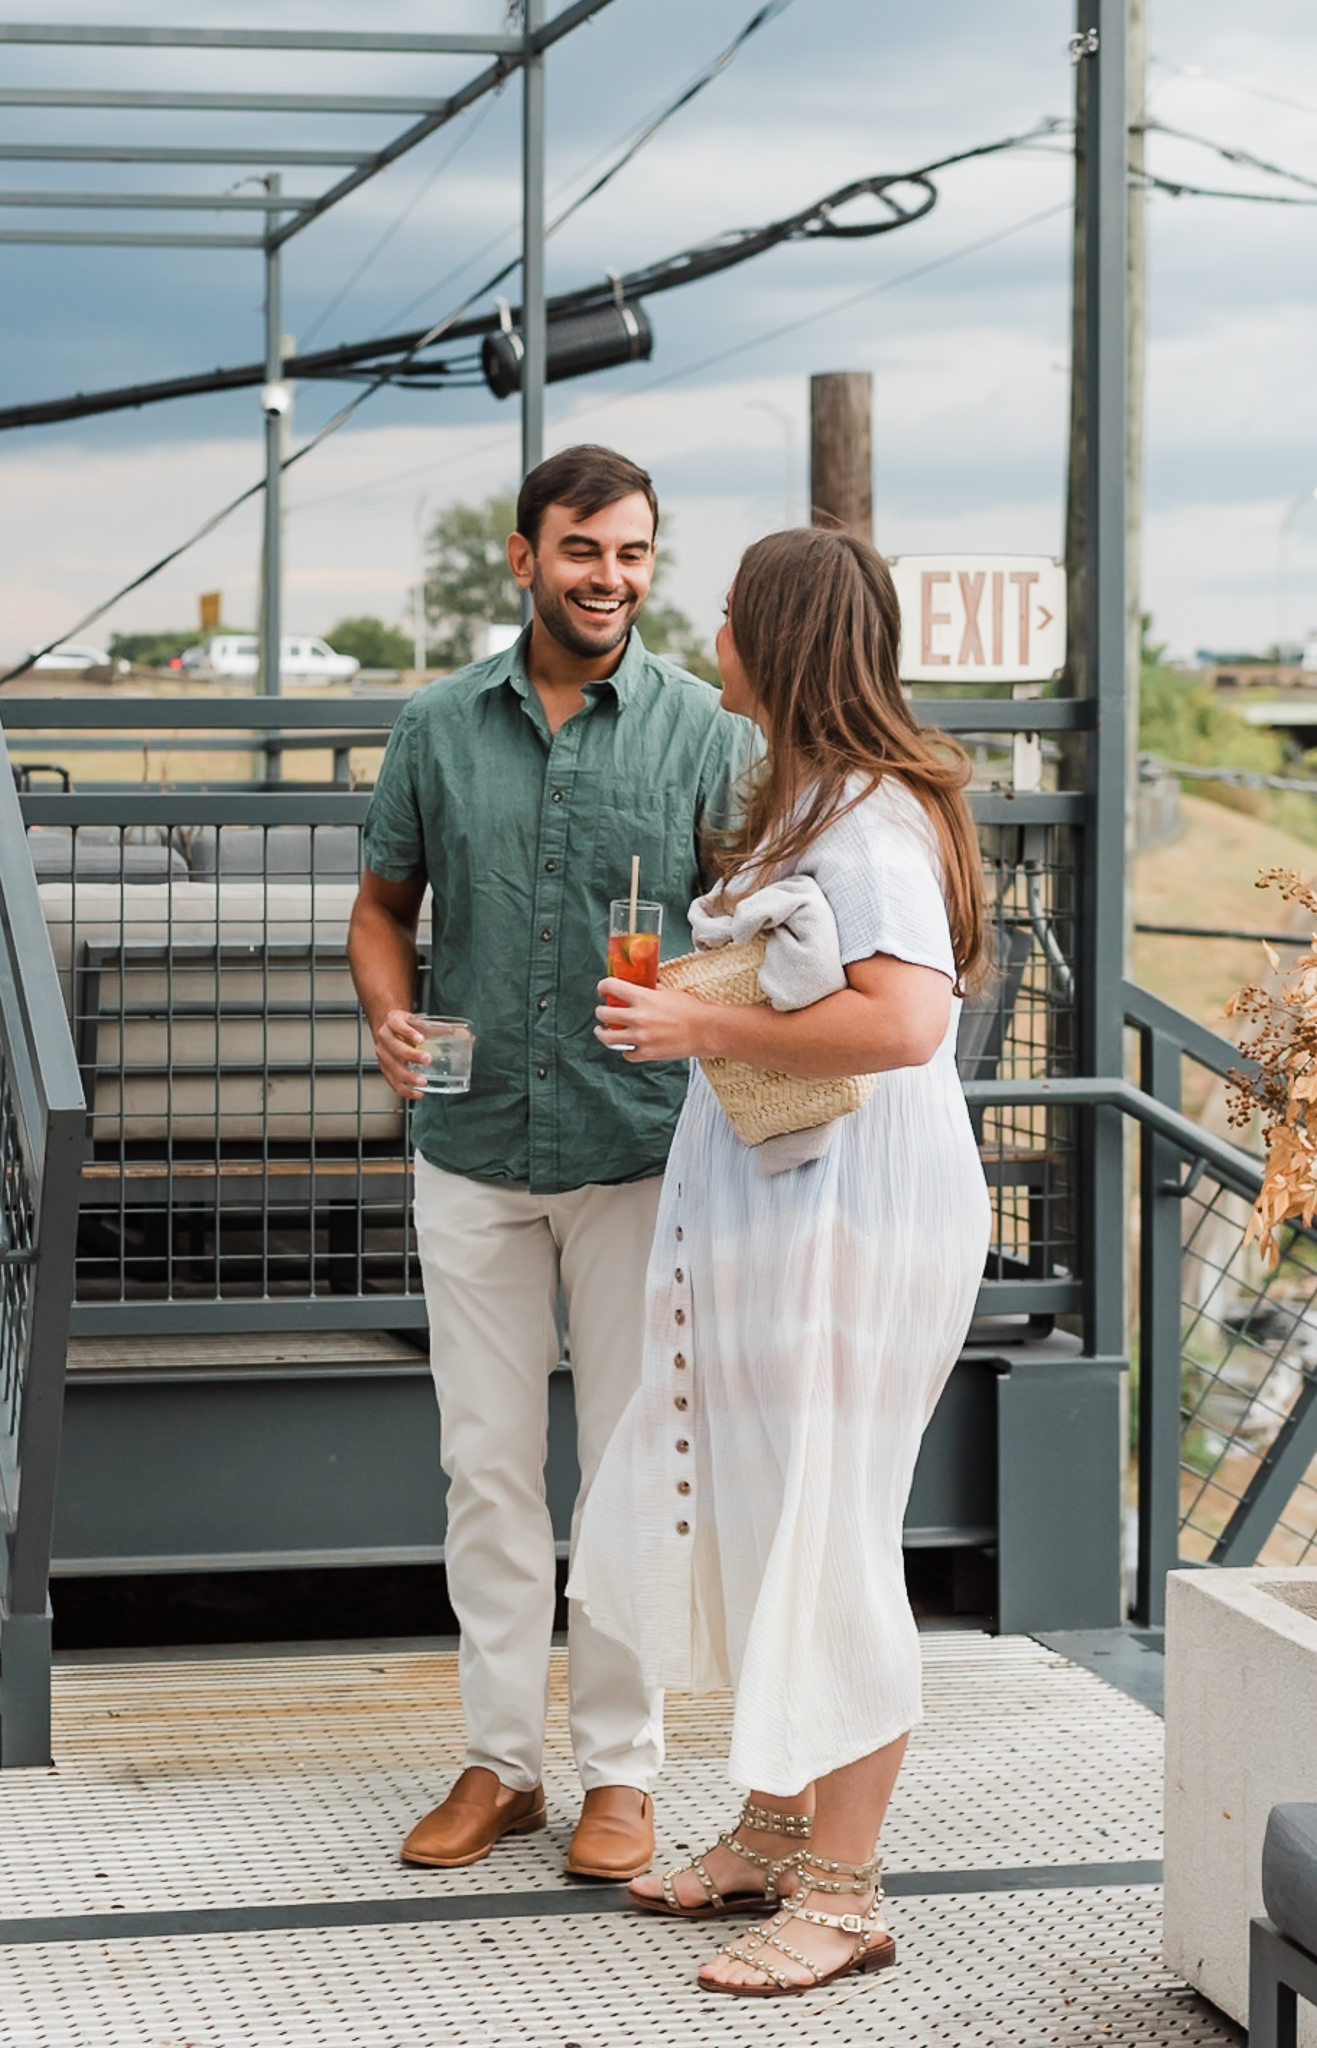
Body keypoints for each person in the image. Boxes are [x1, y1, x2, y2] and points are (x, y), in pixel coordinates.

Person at [570, 522, 992, 1997]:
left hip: (856, 1216)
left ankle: (845, 1891)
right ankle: (764, 1824)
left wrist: (701, 1026)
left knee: (826, 1528)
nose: (715, 635)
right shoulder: (805, 805)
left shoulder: (869, 818)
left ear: (784, 639)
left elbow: (901, 1023)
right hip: (782, 1202)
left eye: (735, 616)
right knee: (765, 1516)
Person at [347, 444, 750, 1881]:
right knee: (485, 1468)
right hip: (469, 1147)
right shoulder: (436, 727)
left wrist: (706, 1003)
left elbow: (764, 929)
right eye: (583, 550)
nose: (610, 578)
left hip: (640, 1156)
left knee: (633, 1476)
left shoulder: (707, 737)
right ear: (523, 557)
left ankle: (622, 1776)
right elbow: (381, 908)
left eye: (634, 554)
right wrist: (389, 1013)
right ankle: (498, 1763)